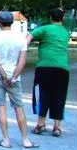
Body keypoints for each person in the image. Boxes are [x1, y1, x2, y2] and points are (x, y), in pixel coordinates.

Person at [0, 11, 38, 149]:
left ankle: (6, 140)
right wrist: (13, 77)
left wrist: (4, 76)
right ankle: (25, 140)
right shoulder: (20, 38)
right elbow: (22, 61)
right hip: (14, 77)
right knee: (18, 107)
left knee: (1, 107)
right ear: (12, 22)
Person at [26, 7, 70, 137]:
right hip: (62, 68)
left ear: (50, 17)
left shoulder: (44, 29)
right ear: (62, 19)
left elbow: (28, 37)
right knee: (59, 96)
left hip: (44, 67)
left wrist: (23, 50)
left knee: (42, 94)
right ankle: (57, 127)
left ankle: (41, 124)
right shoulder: (65, 32)